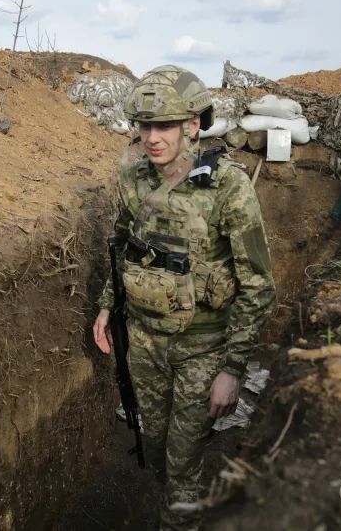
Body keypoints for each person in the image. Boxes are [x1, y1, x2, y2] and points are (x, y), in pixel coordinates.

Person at [92, 65, 276, 531]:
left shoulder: (228, 187)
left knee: (181, 464)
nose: (152, 137)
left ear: (192, 124)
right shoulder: (133, 179)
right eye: (144, 125)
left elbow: (257, 284)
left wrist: (232, 370)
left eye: (165, 126)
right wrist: (106, 305)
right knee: (153, 449)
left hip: (203, 347)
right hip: (144, 342)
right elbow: (122, 245)